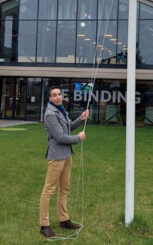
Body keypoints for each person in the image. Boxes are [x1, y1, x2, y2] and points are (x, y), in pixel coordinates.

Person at [39, 86, 89, 239]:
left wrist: (80, 119)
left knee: (64, 189)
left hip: (67, 155)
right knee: (49, 190)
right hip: (56, 157)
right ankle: (44, 225)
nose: (58, 97)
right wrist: (78, 139)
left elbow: (68, 127)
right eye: (54, 95)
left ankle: (64, 220)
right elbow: (60, 137)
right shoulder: (50, 114)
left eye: (59, 94)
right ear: (49, 98)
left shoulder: (60, 109)